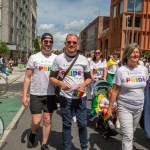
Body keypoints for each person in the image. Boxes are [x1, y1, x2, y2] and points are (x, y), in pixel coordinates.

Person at [50, 33, 91, 150]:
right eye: (69, 42)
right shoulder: (58, 59)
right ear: (65, 44)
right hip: (65, 97)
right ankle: (67, 148)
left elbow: (89, 78)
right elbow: (52, 77)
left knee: (82, 124)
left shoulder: (83, 60)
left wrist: (83, 84)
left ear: (77, 44)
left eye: (74, 42)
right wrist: (61, 83)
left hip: (80, 97)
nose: (71, 44)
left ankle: (84, 147)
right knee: (67, 125)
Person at [107, 43, 149, 150]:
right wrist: (110, 107)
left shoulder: (144, 69)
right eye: (132, 52)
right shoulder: (121, 70)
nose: (135, 55)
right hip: (125, 107)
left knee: (132, 132)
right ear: (127, 54)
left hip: (139, 107)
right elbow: (115, 90)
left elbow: (146, 88)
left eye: (137, 52)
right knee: (128, 136)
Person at [22, 33, 57, 150]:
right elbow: (27, 77)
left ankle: (44, 143)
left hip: (50, 94)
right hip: (36, 94)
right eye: (45, 41)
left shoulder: (56, 58)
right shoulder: (34, 57)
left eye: (50, 41)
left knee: (47, 121)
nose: (48, 43)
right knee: (36, 122)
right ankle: (33, 132)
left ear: (52, 43)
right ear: (42, 42)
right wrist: (25, 95)